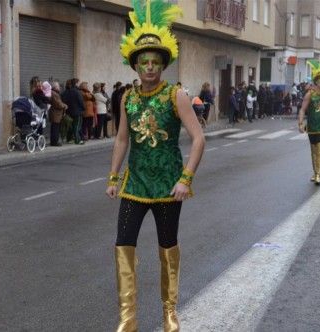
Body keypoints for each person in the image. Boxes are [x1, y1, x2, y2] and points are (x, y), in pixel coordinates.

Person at [109, 1, 205, 331]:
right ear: (135, 65)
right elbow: (122, 139)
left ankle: (169, 311)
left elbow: (198, 139)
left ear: (163, 64)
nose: (149, 67)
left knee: (167, 247)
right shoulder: (127, 97)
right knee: (123, 243)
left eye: (155, 62)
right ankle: (127, 317)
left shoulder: (176, 95)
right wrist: (113, 175)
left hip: (167, 186)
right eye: (143, 62)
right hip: (135, 185)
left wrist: (185, 179)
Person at [61, 78, 85, 144]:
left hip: (69, 111)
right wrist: (83, 108)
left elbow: (64, 101)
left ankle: (69, 139)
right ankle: (77, 140)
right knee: (77, 126)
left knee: (71, 126)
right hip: (77, 112)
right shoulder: (77, 92)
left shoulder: (67, 92)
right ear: (76, 83)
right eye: (78, 83)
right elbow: (81, 102)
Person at [48, 81, 68, 146]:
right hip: (55, 113)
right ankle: (54, 142)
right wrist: (65, 106)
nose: (59, 87)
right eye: (58, 86)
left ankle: (53, 141)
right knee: (55, 128)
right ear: (55, 87)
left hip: (56, 113)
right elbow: (58, 104)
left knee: (54, 128)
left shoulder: (54, 93)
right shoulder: (54, 94)